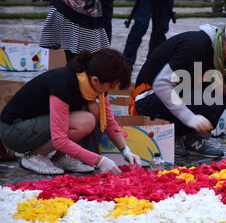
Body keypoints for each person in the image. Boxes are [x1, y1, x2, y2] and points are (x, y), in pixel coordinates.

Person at [130, 18, 226, 157]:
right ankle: (172, 136)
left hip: (183, 95)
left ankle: (194, 140)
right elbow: (161, 84)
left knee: (223, 91)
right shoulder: (194, 47)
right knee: (205, 97)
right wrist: (187, 116)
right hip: (148, 98)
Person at [0, 49, 141, 175]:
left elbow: (109, 122)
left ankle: (60, 158)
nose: (111, 90)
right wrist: (99, 161)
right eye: (112, 85)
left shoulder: (94, 86)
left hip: (36, 126)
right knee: (85, 121)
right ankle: (34, 157)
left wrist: (125, 150)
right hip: (15, 131)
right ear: (96, 80)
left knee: (94, 110)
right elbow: (59, 139)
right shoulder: (64, 83)